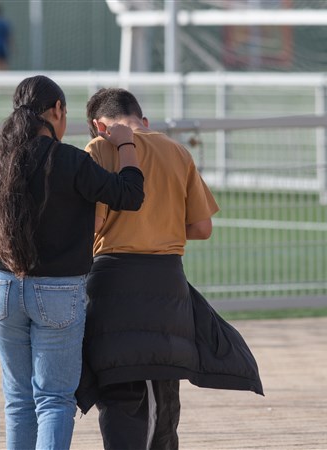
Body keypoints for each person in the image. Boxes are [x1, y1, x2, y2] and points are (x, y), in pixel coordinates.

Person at [77, 88, 264, 450]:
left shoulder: (99, 149)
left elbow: (94, 225)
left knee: (122, 397)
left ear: (98, 125)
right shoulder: (177, 151)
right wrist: (160, 227)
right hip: (170, 285)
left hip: (115, 285)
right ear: (143, 121)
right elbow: (202, 227)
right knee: (163, 402)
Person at [0, 76, 145, 450]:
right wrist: (126, 145)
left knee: (19, 400)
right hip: (57, 290)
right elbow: (130, 195)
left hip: (2, 286)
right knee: (53, 400)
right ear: (57, 111)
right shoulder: (68, 160)